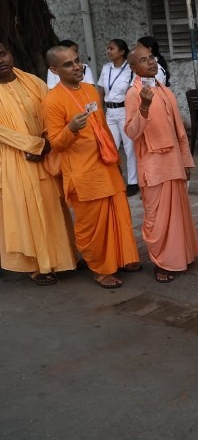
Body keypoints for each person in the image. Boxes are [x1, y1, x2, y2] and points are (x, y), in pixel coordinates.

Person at [43, 45, 140, 288]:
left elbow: (104, 128)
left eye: (76, 61)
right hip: (83, 173)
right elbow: (56, 143)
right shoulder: (52, 101)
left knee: (119, 215)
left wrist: (115, 160)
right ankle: (100, 268)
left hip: (105, 164)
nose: (76, 66)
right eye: (67, 64)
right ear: (54, 70)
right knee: (92, 226)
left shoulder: (90, 91)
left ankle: (122, 257)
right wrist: (72, 129)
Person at [0, 41, 77, 285]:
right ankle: (40, 266)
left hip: (44, 156)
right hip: (14, 158)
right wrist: (35, 145)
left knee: (52, 208)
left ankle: (65, 259)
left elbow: (51, 114)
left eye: (2, 53)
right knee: (26, 212)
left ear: (10, 53)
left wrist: (47, 141)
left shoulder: (33, 82)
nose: (0, 60)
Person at [124, 45, 198, 282]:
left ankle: (180, 256)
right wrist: (144, 107)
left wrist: (186, 162)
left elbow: (180, 131)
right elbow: (131, 132)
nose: (150, 63)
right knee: (157, 218)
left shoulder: (166, 91)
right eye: (144, 60)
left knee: (178, 214)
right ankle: (162, 263)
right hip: (154, 165)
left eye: (152, 58)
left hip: (174, 162)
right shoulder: (133, 94)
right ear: (134, 67)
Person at [97, 39, 138, 197]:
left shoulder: (130, 69)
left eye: (111, 48)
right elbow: (100, 89)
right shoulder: (106, 68)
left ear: (121, 52)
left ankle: (133, 182)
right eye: (107, 48)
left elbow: (131, 91)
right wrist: (100, 111)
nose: (108, 51)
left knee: (129, 148)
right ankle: (115, 179)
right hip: (110, 112)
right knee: (110, 146)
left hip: (124, 111)